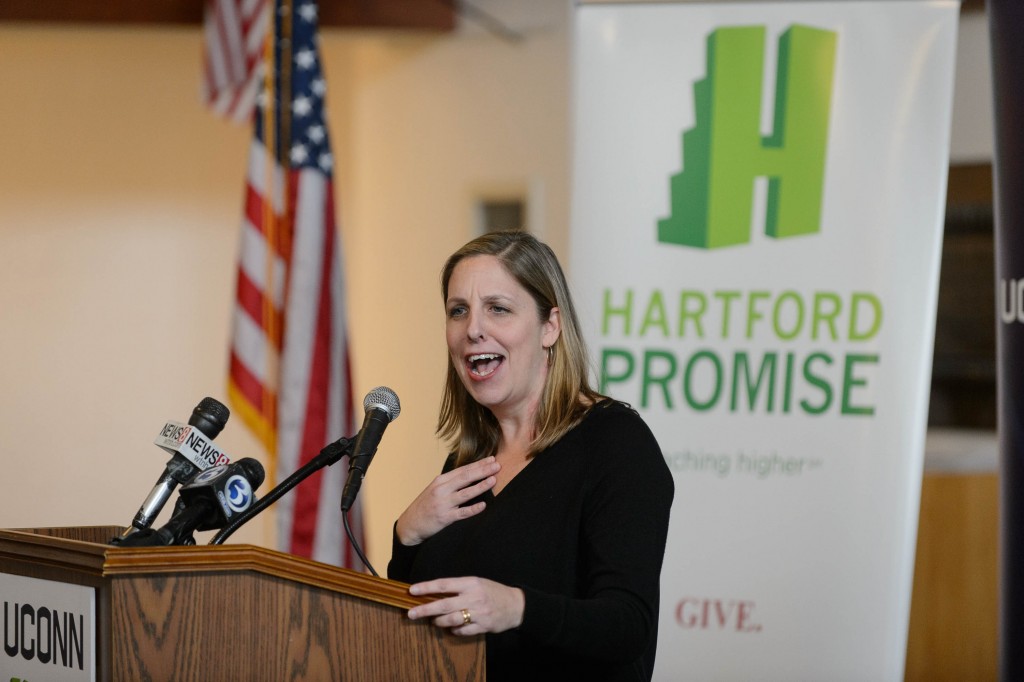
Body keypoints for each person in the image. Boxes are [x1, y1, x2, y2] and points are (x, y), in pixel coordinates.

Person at [388, 230, 674, 681]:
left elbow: (627, 625)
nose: (473, 328)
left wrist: (516, 607)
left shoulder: (616, 442)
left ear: (550, 326)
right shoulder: (469, 458)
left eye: (498, 308)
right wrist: (405, 536)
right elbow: (417, 613)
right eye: (458, 310)